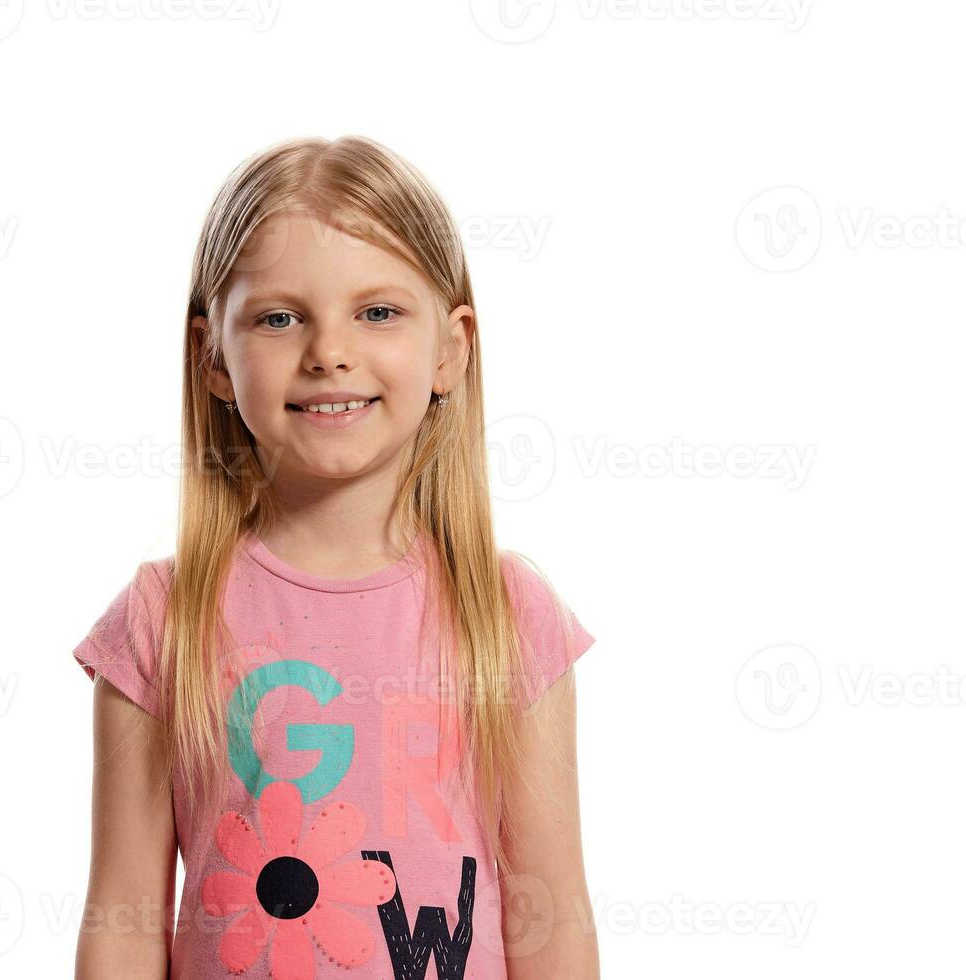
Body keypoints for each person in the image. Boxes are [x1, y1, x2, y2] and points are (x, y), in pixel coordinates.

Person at [72, 134, 599, 980]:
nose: (329, 352)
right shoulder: (160, 620)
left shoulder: (509, 615)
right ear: (212, 356)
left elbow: (551, 914)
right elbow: (122, 922)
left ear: (450, 349)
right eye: (280, 318)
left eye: (378, 312)